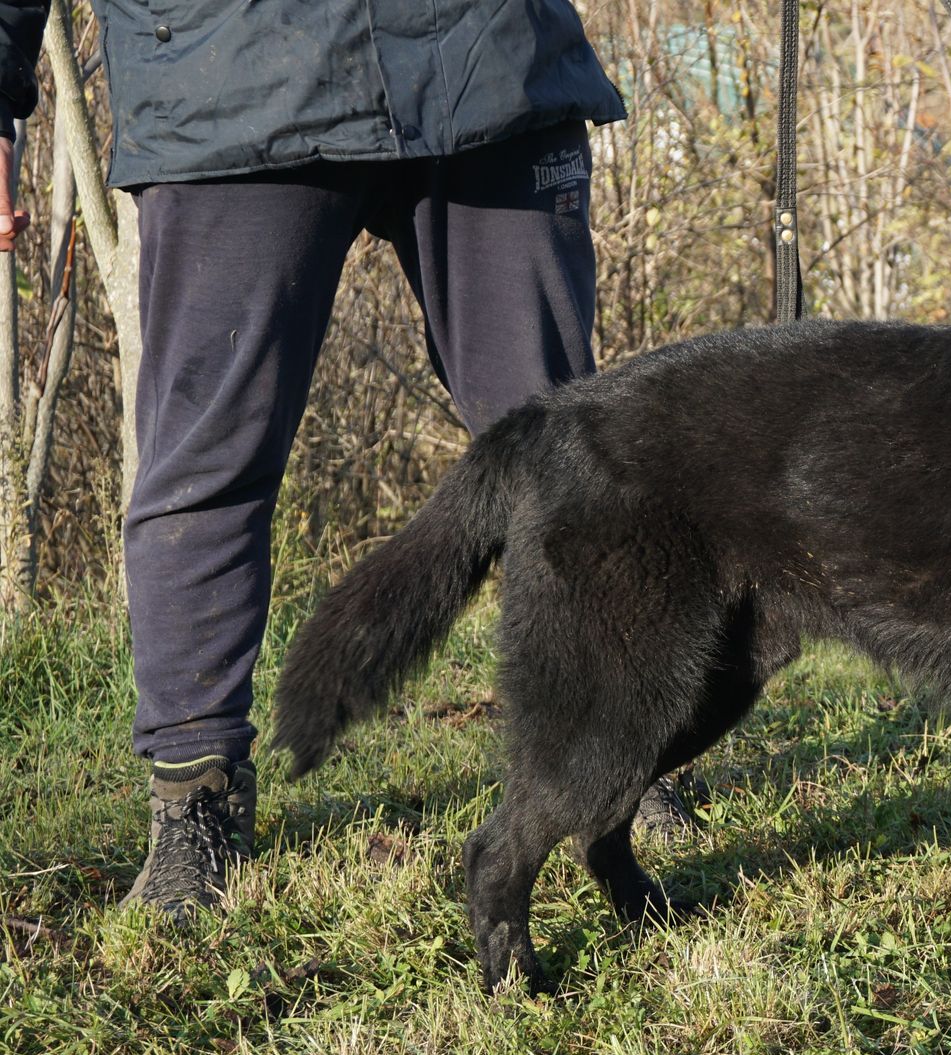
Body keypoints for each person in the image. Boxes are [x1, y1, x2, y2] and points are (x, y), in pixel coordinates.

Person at [0, 0, 689, 917]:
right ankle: (193, 797)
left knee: (568, 449)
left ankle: (615, 751)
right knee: (207, 461)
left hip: (488, 57)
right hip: (226, 75)